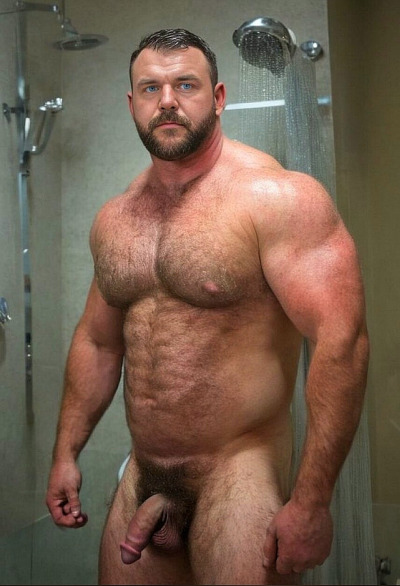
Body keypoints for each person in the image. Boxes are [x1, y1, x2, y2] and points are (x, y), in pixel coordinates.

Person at [46, 28, 369, 585]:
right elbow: (98, 341)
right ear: (132, 103)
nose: (167, 101)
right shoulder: (115, 220)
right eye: (151, 88)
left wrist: (312, 502)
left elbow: (342, 341)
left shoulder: (277, 198)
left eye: (186, 84)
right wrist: (65, 454)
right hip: (141, 474)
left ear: (218, 97)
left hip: (238, 476)